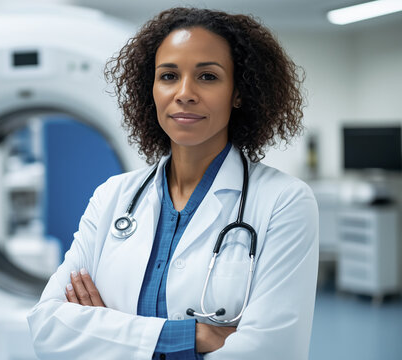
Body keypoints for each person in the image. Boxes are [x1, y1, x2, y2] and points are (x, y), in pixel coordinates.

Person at [27, 7, 318, 360]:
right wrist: (191, 336)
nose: (184, 93)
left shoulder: (283, 201)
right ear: (150, 88)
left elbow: (271, 350)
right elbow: (48, 327)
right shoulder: (112, 197)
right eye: (168, 76)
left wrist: (107, 331)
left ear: (238, 93)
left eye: (207, 77)